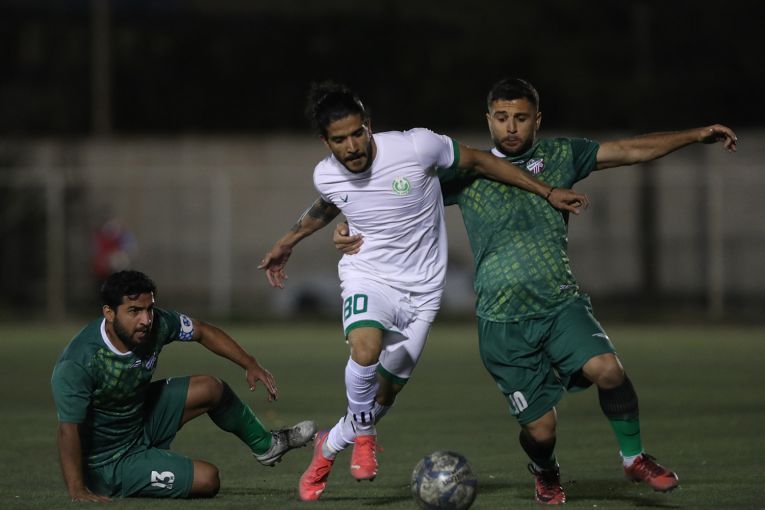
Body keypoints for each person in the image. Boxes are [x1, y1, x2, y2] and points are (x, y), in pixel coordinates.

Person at [334, 77, 738, 505]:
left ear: (537, 120)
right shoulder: (467, 171)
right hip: (502, 323)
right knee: (542, 430)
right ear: (488, 120)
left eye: (521, 118)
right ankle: (545, 470)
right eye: (502, 118)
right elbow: (389, 199)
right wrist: (345, 226)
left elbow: (628, 150)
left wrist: (696, 135)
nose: (511, 127)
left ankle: (634, 458)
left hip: (560, 304)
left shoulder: (561, 156)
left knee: (609, 370)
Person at [257, 81, 589, 502]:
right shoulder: (325, 173)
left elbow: (480, 161)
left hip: (423, 291)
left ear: (369, 125)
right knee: (364, 348)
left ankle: (329, 445)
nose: (352, 146)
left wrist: (547, 190)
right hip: (368, 276)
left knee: (384, 394)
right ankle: (364, 435)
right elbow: (328, 203)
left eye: (358, 133)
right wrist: (288, 241)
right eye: (340, 140)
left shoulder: (416, 147)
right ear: (326, 142)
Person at [51, 270, 317, 501]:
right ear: (109, 313)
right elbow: (68, 430)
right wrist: (77, 491)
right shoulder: (80, 361)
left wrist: (249, 363)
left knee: (211, 388)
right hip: (109, 462)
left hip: (140, 419)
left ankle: (266, 446)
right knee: (208, 479)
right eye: (134, 311)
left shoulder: (157, 324)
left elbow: (202, 330)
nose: (145, 320)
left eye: (149, 308)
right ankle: (135, 470)